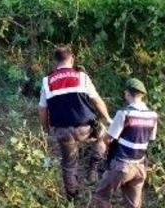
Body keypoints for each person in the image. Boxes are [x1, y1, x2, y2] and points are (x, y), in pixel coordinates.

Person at [38, 45, 112, 200]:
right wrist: (107, 118)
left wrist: (45, 128)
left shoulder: (47, 81)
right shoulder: (81, 76)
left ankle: (73, 198)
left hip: (62, 131)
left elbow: (42, 109)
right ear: (71, 59)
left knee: (69, 164)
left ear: (55, 62)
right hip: (84, 127)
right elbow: (97, 101)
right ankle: (93, 168)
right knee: (103, 135)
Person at [93, 78, 158, 208]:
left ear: (127, 93)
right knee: (133, 205)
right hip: (140, 167)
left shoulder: (124, 113)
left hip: (122, 166)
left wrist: (103, 134)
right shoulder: (153, 115)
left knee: (101, 196)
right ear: (142, 95)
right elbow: (149, 138)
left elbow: (108, 139)